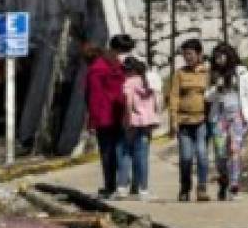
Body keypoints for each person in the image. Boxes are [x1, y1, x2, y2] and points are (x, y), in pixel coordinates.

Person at [84, 33, 135, 198]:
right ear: (116, 49)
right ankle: (116, 185)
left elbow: (92, 96)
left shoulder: (103, 67)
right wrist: (93, 120)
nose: (126, 55)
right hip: (108, 116)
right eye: (124, 51)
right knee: (114, 152)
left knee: (114, 152)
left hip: (116, 116)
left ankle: (114, 186)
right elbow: (94, 97)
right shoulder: (103, 69)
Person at [206, 43, 248, 200]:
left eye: (220, 56)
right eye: (215, 58)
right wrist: (217, 89)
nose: (218, 60)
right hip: (219, 117)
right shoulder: (214, 74)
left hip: (238, 116)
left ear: (229, 55)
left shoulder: (242, 73)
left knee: (235, 151)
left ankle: (234, 186)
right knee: (221, 153)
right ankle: (224, 180)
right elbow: (207, 96)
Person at [168, 38, 211, 202]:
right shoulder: (179, 74)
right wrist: (173, 120)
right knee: (186, 157)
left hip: (202, 120)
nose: (187, 57)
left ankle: (202, 188)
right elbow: (174, 96)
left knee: (202, 154)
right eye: (185, 54)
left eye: (190, 54)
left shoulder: (207, 73)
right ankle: (185, 187)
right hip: (184, 122)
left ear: (199, 54)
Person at [121, 55, 159, 199]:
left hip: (134, 121)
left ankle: (122, 187)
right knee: (143, 156)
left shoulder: (129, 82)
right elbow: (157, 100)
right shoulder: (148, 81)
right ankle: (143, 189)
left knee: (127, 154)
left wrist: (127, 118)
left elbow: (128, 103)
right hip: (147, 122)